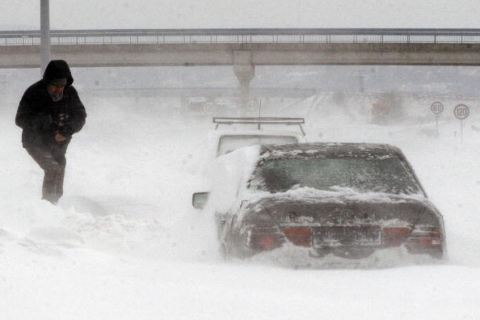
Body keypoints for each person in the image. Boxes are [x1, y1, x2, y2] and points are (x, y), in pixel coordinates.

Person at [15, 60, 87, 204]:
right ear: (48, 82)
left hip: (58, 144)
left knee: (59, 167)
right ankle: (47, 205)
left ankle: (55, 203)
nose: (59, 90)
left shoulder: (70, 93)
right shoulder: (33, 93)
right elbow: (20, 119)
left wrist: (67, 130)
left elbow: (80, 116)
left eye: (62, 86)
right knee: (52, 168)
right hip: (35, 142)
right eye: (56, 86)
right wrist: (43, 122)